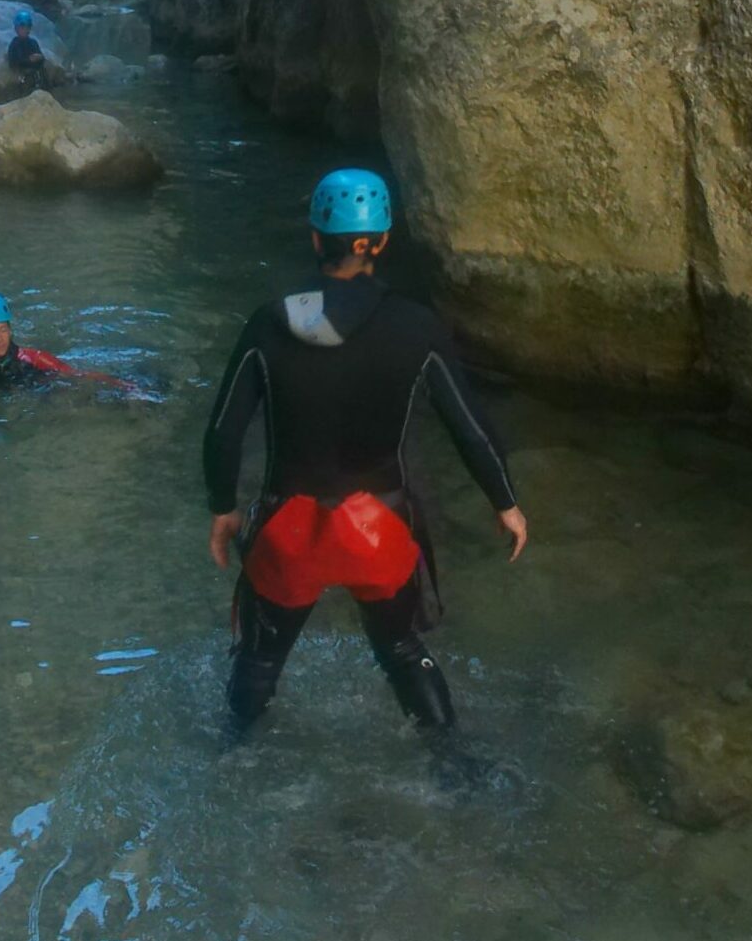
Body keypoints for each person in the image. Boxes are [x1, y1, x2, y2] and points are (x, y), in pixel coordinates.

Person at [202, 168, 527, 736]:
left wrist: (223, 507)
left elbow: (224, 429)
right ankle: (452, 765)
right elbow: (469, 426)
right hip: (378, 526)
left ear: (314, 239)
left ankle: (230, 757)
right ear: (379, 242)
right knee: (401, 648)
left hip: (290, 525)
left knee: (257, 660)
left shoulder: (270, 323)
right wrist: (505, 502)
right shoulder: (416, 326)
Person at [0, 292, 146, 412]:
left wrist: (122, 385)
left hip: (52, 390)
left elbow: (77, 375)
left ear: (10, 330)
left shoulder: (35, 358)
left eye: (3, 329)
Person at [5, 8, 50, 96]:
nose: (26, 29)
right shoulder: (15, 43)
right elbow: (14, 61)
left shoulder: (33, 42)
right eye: (22, 27)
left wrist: (39, 57)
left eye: (28, 26)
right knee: (24, 78)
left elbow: (41, 58)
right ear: (16, 28)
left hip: (35, 73)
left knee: (42, 72)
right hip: (23, 75)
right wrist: (29, 60)